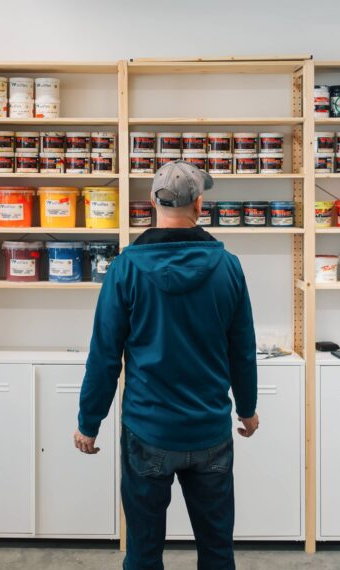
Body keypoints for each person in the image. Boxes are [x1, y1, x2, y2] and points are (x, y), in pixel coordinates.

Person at [75, 160, 259, 570]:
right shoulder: (228, 266)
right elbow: (242, 349)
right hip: (210, 430)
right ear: (199, 203)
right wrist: (246, 409)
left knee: (142, 552)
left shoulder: (125, 268)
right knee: (216, 551)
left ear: (150, 202)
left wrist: (89, 422)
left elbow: (104, 355)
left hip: (148, 431)